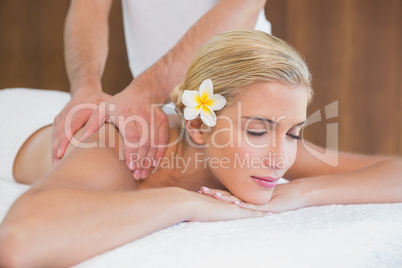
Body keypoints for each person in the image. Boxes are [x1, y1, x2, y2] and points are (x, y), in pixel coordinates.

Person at [0, 30, 401, 267]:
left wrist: (300, 193)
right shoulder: (124, 145)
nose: (281, 159)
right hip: (15, 120)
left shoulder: (261, 147)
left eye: (294, 132)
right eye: (258, 131)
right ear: (197, 123)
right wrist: (185, 203)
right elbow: (19, 241)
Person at [54, 0, 270, 180]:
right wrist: (86, 87)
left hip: (242, 86)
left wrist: (147, 91)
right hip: (157, 103)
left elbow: (244, 5)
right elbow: (88, 7)